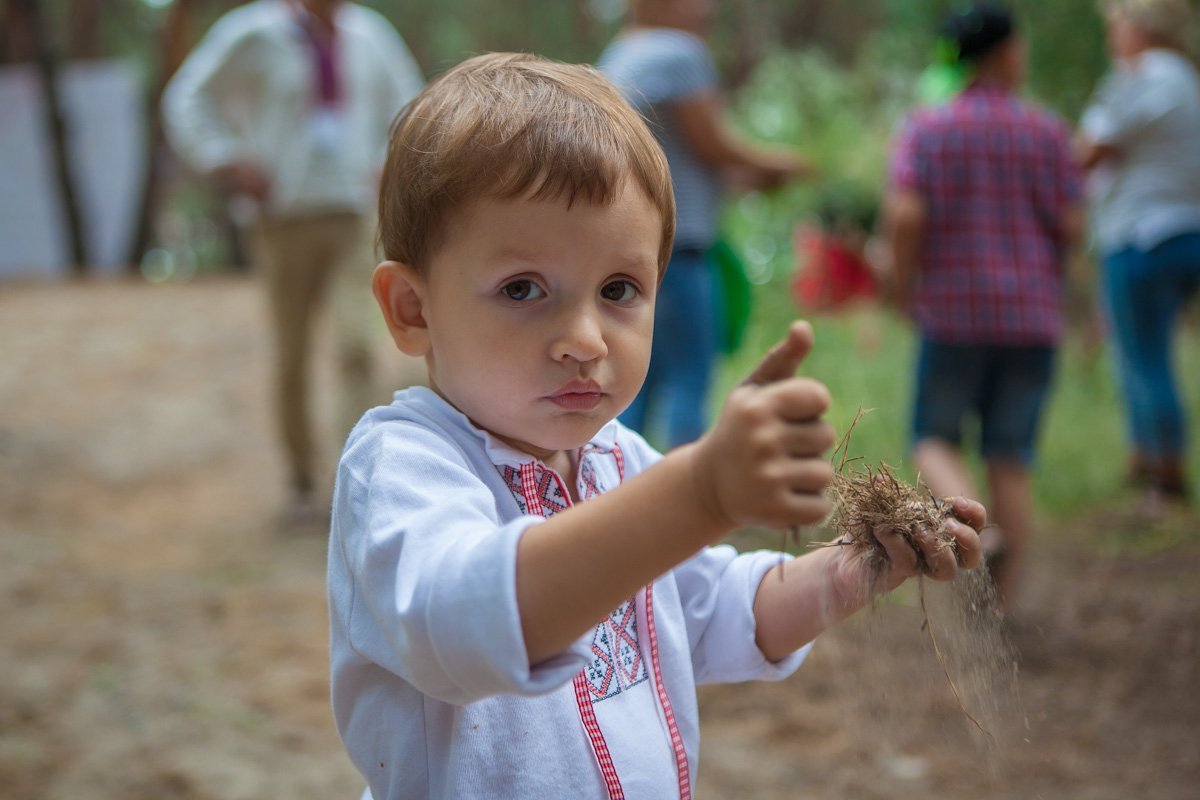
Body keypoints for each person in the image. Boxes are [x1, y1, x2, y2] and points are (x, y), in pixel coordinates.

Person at [327, 52, 986, 800]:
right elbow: (464, 624)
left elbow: (723, 610)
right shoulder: (402, 466)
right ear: (413, 310)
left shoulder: (617, 459)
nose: (586, 337)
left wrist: (862, 565)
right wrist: (700, 493)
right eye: (522, 288)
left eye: (619, 289)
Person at [161, 0, 424, 525]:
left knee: (357, 343)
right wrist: (225, 158)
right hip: (282, 217)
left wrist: (388, 164)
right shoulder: (254, 32)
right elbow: (187, 96)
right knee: (293, 353)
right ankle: (303, 481)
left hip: (353, 215)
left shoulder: (370, 34)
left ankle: (359, 481)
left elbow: (412, 105)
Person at [884, 2, 1084, 609]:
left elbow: (906, 214)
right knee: (1011, 455)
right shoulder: (1047, 131)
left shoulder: (928, 128)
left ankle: (983, 532)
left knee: (932, 437)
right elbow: (1073, 226)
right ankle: (1005, 610)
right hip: (1031, 319)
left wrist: (899, 283)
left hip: (952, 315)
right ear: (1006, 54)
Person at [597, 0, 811, 450]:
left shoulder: (614, 57)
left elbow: (677, 160)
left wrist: (750, 179)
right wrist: (786, 164)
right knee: (690, 378)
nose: (707, 9)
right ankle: (686, 503)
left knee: (635, 383)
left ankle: (612, 500)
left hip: (629, 249)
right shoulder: (680, 52)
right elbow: (713, 144)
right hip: (683, 249)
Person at [1078, 0, 1200, 509]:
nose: (1113, 38)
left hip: (1142, 235)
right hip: (1183, 231)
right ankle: (1145, 458)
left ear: (1141, 29)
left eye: (1118, 26)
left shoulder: (1148, 74)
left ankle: (1164, 477)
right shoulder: (1187, 79)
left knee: (1144, 357)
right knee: (1150, 353)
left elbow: (1089, 149)